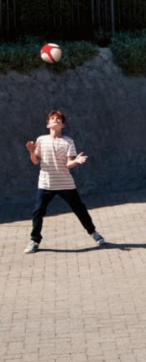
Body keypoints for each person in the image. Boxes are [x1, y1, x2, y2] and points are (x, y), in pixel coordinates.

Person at [24, 109, 105, 254]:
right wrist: (31, 151)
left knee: (80, 209)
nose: (56, 120)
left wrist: (75, 161)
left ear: (63, 125)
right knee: (38, 211)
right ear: (48, 124)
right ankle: (35, 241)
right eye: (53, 118)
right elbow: (35, 161)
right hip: (45, 184)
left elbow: (67, 164)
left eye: (59, 119)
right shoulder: (41, 140)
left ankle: (93, 232)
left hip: (65, 184)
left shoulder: (68, 141)